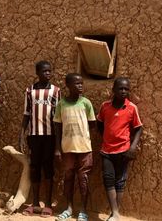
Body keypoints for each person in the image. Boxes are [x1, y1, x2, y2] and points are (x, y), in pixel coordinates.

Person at [97, 77, 143, 221]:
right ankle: (115, 212)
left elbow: (138, 128)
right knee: (108, 179)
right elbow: (100, 123)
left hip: (124, 150)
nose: (123, 91)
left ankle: (115, 214)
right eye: (120, 88)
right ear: (113, 90)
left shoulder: (131, 108)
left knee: (120, 181)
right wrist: (106, 136)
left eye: (126, 89)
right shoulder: (105, 106)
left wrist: (133, 147)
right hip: (107, 151)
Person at [19, 60, 60, 217]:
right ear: (37, 73)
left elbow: (58, 117)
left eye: (50, 71)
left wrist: (57, 143)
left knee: (48, 168)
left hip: (50, 137)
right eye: (44, 71)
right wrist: (22, 135)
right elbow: (26, 114)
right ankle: (35, 203)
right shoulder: (30, 91)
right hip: (34, 136)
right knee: (34, 168)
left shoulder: (56, 91)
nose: (48, 74)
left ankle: (48, 204)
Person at [54, 73, 96, 221]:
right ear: (68, 86)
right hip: (67, 149)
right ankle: (69, 208)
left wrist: (81, 137)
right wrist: (58, 148)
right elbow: (57, 127)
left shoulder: (86, 103)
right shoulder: (61, 104)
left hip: (84, 148)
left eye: (81, 83)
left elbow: (92, 124)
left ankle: (83, 210)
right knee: (68, 178)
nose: (80, 86)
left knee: (83, 179)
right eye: (77, 84)